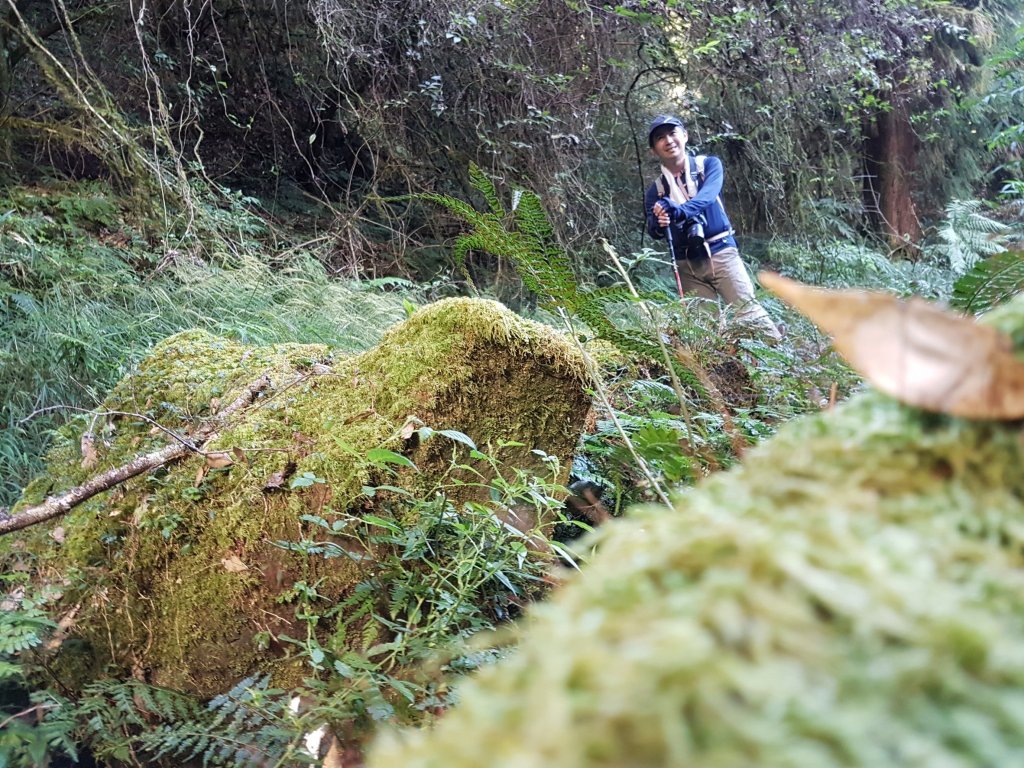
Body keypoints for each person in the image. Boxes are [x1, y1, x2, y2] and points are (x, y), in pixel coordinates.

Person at [644, 115, 781, 340]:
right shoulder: (656, 191)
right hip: (687, 265)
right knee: (705, 332)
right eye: (660, 138)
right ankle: (723, 374)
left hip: (722, 253)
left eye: (672, 133)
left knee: (749, 313)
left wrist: (678, 211)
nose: (668, 140)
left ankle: (783, 368)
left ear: (685, 136)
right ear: (653, 150)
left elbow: (707, 197)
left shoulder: (707, 166)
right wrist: (660, 221)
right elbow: (654, 229)